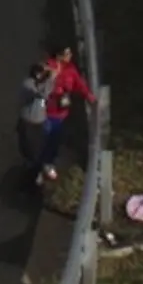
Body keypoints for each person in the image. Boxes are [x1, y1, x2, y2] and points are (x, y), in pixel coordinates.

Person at [38, 43, 95, 185]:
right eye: (67, 53)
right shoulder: (47, 68)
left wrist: (90, 98)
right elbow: (38, 85)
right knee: (48, 138)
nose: (70, 56)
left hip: (61, 112)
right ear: (58, 56)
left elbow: (79, 85)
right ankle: (43, 164)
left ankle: (46, 162)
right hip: (46, 111)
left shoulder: (70, 70)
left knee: (54, 138)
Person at [16, 62, 55, 181]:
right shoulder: (28, 85)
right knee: (30, 150)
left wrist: (49, 80)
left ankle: (39, 169)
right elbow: (41, 95)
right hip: (29, 123)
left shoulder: (42, 84)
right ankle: (30, 174)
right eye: (43, 73)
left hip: (40, 122)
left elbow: (47, 93)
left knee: (41, 148)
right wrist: (50, 79)